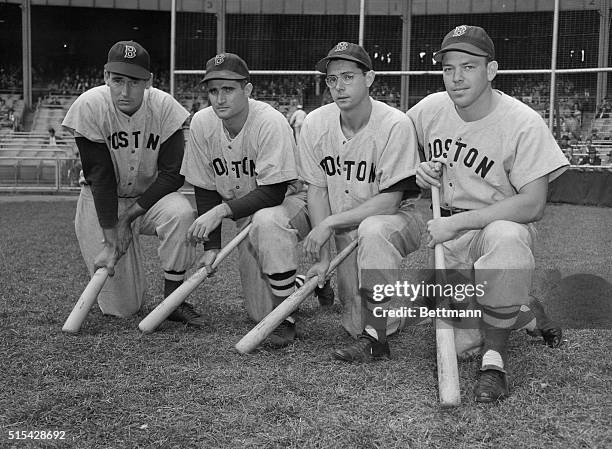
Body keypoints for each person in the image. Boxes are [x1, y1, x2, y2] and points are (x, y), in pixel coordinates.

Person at [407, 25, 568, 403]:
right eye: (448, 68)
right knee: (459, 340)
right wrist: (419, 169)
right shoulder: (430, 109)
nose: (456, 78)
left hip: (489, 230)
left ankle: (494, 362)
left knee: (508, 237)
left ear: (491, 69)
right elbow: (393, 145)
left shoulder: (522, 121)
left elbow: (533, 204)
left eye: (468, 66)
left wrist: (458, 223)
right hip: (447, 237)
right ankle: (525, 310)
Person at [254, 42, 425, 359]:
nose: (339, 86)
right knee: (268, 220)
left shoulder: (395, 124)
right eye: (332, 79)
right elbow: (317, 190)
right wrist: (321, 256)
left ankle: (378, 337)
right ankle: (298, 300)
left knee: (372, 234)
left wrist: (330, 224)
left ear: (369, 78)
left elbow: (390, 202)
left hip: (393, 218)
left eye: (348, 76)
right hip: (336, 211)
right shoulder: (316, 123)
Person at [180, 53, 333, 347]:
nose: (219, 98)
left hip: (292, 202)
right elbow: (205, 186)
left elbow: (273, 192)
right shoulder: (201, 123)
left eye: (228, 89)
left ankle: (284, 320)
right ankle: (303, 285)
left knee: (267, 221)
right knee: (256, 312)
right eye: (213, 90)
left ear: (247, 90)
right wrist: (212, 246)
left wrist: (221, 213)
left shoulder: (270, 122)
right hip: (244, 210)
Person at [62, 40, 203, 326]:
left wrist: (128, 218)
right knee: (124, 307)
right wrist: (112, 233)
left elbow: (173, 173)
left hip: (150, 198)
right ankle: (124, 280)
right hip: (102, 199)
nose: (125, 91)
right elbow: (99, 175)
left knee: (181, 213)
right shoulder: (90, 105)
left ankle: (172, 299)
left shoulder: (164, 107)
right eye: (118, 80)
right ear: (105, 77)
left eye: (135, 82)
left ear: (149, 81)